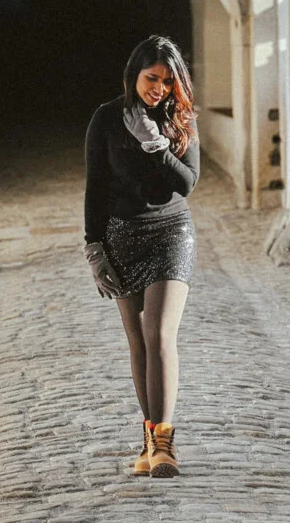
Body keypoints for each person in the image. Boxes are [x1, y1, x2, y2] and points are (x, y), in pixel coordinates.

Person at [83, 35, 199, 478]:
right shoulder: (107, 119)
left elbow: (188, 183)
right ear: (134, 74)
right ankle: (149, 440)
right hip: (121, 235)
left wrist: (157, 146)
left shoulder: (181, 117)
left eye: (168, 82)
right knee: (137, 339)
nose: (159, 89)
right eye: (152, 79)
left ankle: (165, 444)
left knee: (160, 333)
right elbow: (95, 188)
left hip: (171, 231)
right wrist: (95, 248)